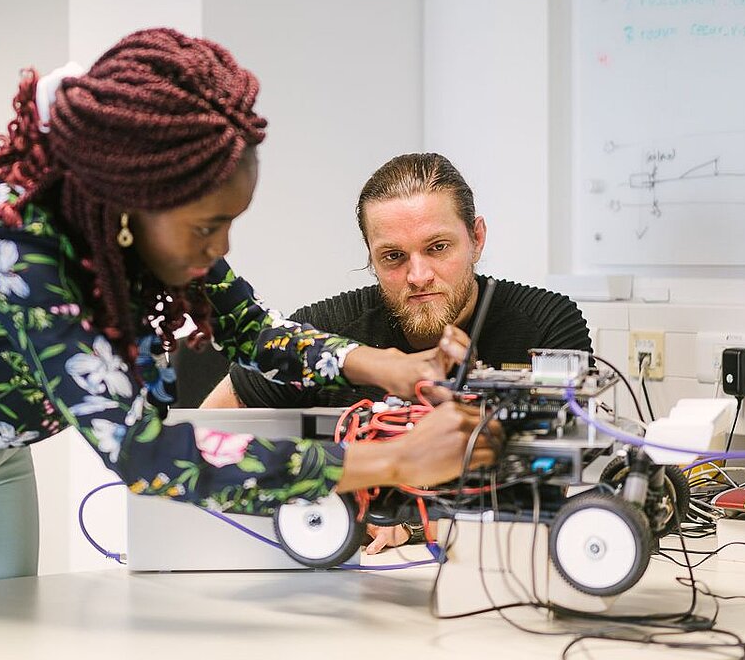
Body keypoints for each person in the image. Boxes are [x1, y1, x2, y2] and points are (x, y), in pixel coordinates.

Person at [0, 29, 497, 659]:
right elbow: (144, 452)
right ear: (134, 202)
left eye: (230, 225)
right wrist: (393, 457)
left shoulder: (140, 223)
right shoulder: (14, 239)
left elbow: (250, 326)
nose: (218, 249)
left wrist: (387, 366)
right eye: (206, 227)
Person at [200, 152, 592, 551]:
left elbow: (545, 497)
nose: (418, 276)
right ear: (370, 256)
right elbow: (206, 430)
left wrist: (414, 524)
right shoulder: (325, 330)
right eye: (393, 257)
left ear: (477, 238)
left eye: (438, 248)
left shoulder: (544, 325)